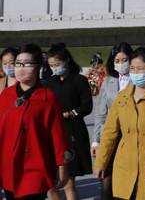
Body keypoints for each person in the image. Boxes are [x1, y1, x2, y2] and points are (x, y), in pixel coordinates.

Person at [93, 47, 145, 200]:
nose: (136, 72)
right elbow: (110, 132)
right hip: (124, 166)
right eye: (133, 68)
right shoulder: (122, 97)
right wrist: (100, 162)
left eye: (140, 68)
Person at [0, 44, 69, 200]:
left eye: (26, 64)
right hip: (9, 166)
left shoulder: (48, 97)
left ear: (38, 67)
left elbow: (58, 135)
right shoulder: (6, 96)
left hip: (36, 165)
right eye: (18, 63)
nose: (20, 68)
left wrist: (62, 165)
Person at [45, 43, 93, 200]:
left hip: (72, 131)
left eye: (57, 64)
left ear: (66, 61)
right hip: (52, 133)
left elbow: (87, 106)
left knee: (68, 182)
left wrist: (69, 114)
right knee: (50, 182)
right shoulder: (50, 82)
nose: (54, 68)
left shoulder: (79, 80)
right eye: (51, 65)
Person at [91, 42, 133, 200]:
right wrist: (96, 141)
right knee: (106, 182)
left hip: (131, 137)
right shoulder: (108, 81)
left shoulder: (139, 81)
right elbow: (100, 114)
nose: (121, 64)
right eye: (117, 61)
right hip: (110, 136)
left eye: (124, 60)